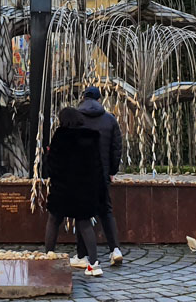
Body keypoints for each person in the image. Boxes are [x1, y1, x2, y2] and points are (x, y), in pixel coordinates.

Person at [43, 107, 105, 277]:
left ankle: (49, 255)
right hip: (85, 190)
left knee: (54, 219)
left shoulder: (60, 136)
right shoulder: (91, 137)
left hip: (62, 189)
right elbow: (98, 166)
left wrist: (54, 176)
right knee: (85, 224)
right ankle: (93, 264)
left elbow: (52, 164)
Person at [75, 86, 124, 266]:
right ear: (99, 99)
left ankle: (82, 256)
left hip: (80, 174)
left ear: (83, 98)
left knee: (82, 213)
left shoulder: (75, 118)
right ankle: (115, 250)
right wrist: (112, 171)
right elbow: (116, 148)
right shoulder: (110, 119)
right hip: (101, 174)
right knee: (106, 211)